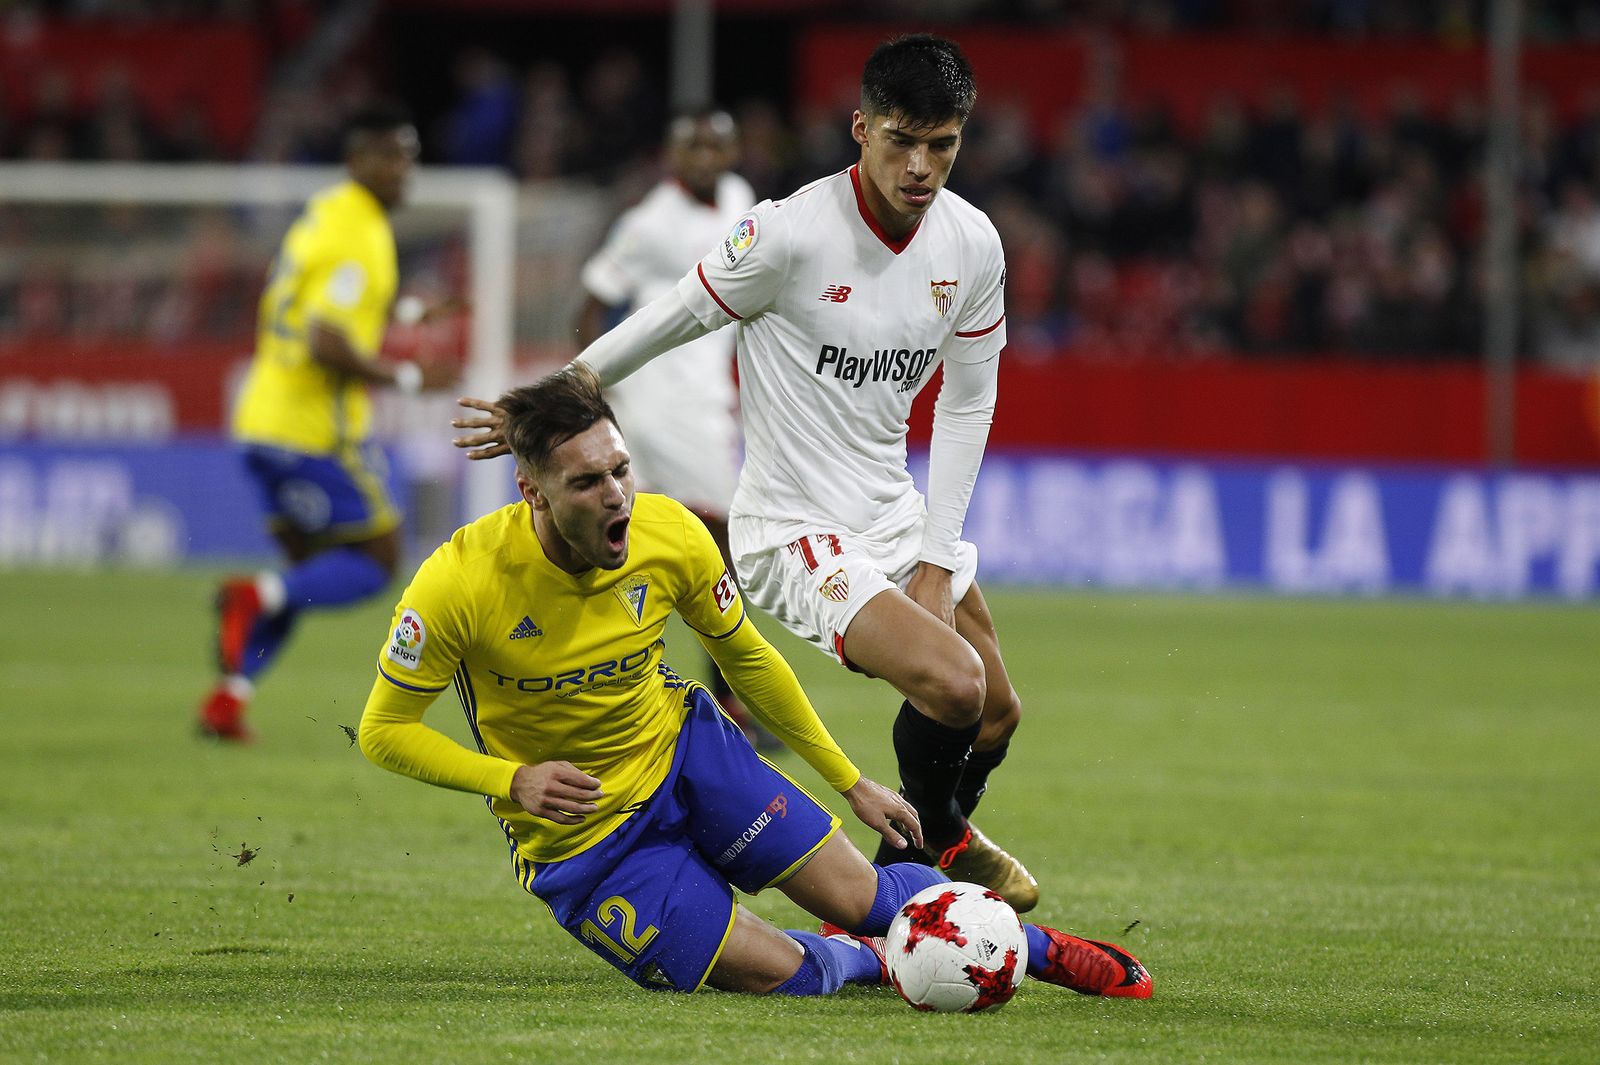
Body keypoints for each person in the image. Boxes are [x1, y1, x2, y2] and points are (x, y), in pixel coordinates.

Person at [455, 35, 1039, 910]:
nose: (921, 167)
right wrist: (563, 389)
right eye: (900, 140)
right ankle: (915, 874)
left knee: (997, 710)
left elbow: (966, 403)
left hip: (891, 508)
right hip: (793, 527)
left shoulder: (972, 244)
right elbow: (676, 313)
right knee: (953, 685)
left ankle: (937, 837)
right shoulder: (789, 233)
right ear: (860, 128)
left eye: (943, 144)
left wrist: (933, 552)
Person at [363, 366, 1150, 998]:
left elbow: (747, 657)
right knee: (785, 974)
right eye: (588, 483)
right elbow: (383, 731)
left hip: (688, 757)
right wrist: (513, 778)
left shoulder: (669, 534)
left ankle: (1038, 949)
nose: (618, 496)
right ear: (531, 491)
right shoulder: (458, 583)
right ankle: (883, 961)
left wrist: (850, 780)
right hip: (585, 842)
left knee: (864, 898)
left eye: (622, 469)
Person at [196, 101, 454, 740]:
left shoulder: (326, 215)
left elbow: (337, 302)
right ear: (356, 159)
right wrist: (412, 378)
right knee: (377, 558)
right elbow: (325, 339)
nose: (402, 171)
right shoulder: (361, 234)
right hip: (313, 431)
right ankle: (252, 597)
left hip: (260, 421)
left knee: (302, 578)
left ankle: (228, 699)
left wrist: (410, 312)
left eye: (409, 156)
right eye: (388, 156)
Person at [576, 107, 779, 750]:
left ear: (732, 151)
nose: (704, 156)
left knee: (633, 539)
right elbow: (591, 303)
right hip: (660, 404)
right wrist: (595, 394)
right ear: (670, 153)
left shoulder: (742, 201)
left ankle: (614, 687)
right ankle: (730, 700)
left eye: (716, 143)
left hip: (707, 398)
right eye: (690, 144)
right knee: (720, 544)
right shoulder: (650, 224)